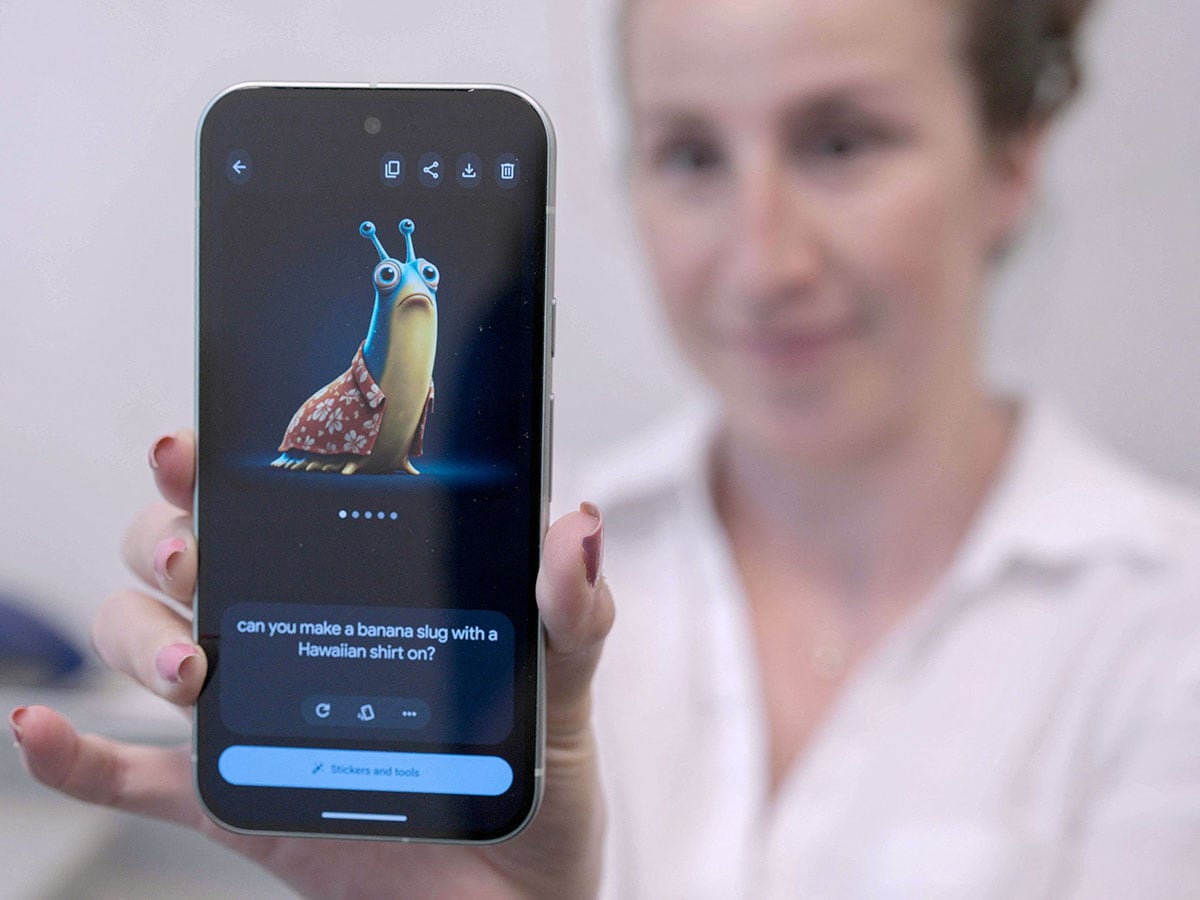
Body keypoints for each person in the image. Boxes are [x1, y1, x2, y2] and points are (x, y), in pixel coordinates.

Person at [11, 0, 1200, 896]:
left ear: (1010, 161)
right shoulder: (508, 585)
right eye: (690, 154)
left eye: (842, 144)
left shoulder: (1165, 627)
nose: (762, 258)